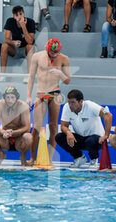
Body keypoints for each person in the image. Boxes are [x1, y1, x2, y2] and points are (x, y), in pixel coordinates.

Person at [27, 38, 70, 166]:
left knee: (53, 128)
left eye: (55, 53)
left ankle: (50, 159)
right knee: (36, 128)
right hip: (40, 94)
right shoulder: (37, 56)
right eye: (51, 52)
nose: (53, 55)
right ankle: (32, 158)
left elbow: (67, 80)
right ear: (47, 49)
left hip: (55, 94)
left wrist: (60, 73)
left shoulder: (64, 59)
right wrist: (29, 96)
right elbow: (31, 77)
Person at [55, 89, 113, 168]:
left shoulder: (90, 106)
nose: (70, 105)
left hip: (96, 140)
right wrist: (68, 133)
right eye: (69, 102)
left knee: (90, 141)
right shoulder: (66, 107)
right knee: (59, 137)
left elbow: (108, 115)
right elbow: (63, 126)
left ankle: (94, 160)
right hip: (81, 139)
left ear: (81, 102)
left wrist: (106, 135)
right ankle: (79, 158)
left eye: (73, 102)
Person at [0, 86, 32, 166]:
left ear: (17, 97)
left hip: (19, 139)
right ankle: (1, 154)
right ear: (4, 98)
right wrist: (2, 132)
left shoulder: (23, 106)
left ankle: (23, 156)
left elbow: (27, 127)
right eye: (8, 97)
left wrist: (13, 133)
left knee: (28, 137)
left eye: (12, 97)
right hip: (5, 139)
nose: (10, 100)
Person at [0, 5, 35, 77]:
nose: (19, 17)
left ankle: (28, 75)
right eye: (16, 15)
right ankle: (2, 75)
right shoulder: (10, 21)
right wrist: (13, 42)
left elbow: (30, 41)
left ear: (24, 14)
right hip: (15, 49)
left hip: (27, 49)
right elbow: (6, 39)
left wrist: (23, 26)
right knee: (4, 46)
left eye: (21, 14)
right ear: (14, 16)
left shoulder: (31, 22)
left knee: (30, 46)